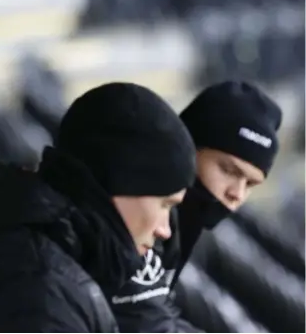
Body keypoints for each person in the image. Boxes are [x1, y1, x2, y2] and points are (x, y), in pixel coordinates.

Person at [0, 82, 197, 332]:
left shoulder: (39, 253)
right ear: (120, 185)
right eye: (164, 204)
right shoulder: (40, 290)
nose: (165, 229)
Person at [110, 80, 282, 333]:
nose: (237, 193)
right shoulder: (139, 217)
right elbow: (147, 323)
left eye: (250, 184)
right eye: (227, 170)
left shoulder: (186, 227)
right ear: (187, 148)